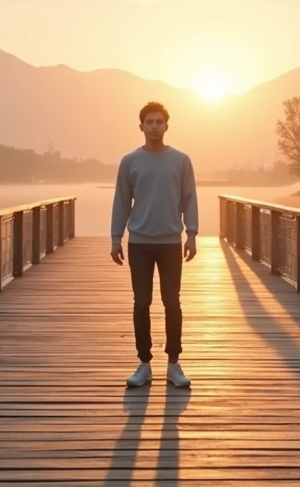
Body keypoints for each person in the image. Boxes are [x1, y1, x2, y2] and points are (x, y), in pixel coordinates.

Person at [110, 101, 198, 389]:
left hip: (171, 242)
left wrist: (192, 233)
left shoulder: (181, 160)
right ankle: (144, 364)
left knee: (172, 302)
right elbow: (122, 201)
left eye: (159, 122)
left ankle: (173, 363)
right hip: (139, 243)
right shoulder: (130, 161)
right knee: (141, 302)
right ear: (141, 126)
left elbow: (189, 198)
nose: (154, 126)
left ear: (166, 126)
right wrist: (116, 237)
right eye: (149, 122)